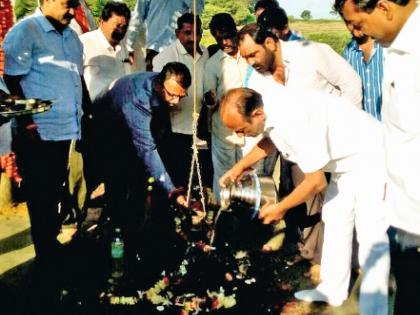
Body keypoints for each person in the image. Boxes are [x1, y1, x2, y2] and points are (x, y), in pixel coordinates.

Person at [219, 87, 390, 314]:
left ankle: (375, 309)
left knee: (371, 234)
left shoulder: (293, 119)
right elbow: (271, 141)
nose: (241, 136)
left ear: (257, 114)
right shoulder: (270, 108)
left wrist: (280, 208)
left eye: (242, 129)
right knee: (336, 219)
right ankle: (332, 290)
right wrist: (239, 167)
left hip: (371, 157)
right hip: (343, 164)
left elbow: (316, 182)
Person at [238, 23, 362, 258]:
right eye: (245, 58)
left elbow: (351, 85)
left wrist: (344, 129)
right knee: (310, 203)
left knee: (344, 203)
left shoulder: (312, 52)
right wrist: (243, 164)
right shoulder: (257, 82)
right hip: (300, 150)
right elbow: (269, 130)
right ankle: (315, 256)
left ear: (270, 43)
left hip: (339, 143)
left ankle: (355, 260)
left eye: (253, 54)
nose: (251, 62)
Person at [334, 1, 420, 314]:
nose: (358, 32)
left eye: (358, 23)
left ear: (383, 7)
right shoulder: (397, 48)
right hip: (404, 215)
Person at [3, 0, 86, 311]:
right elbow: (10, 80)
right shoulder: (25, 32)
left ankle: (50, 251)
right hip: (38, 132)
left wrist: (86, 115)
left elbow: (76, 81)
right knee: (41, 196)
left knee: (54, 192)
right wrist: (27, 123)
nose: (72, 10)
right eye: (67, 4)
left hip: (68, 128)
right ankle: (45, 265)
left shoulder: (72, 36)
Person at [85, 62, 190, 250]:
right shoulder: (137, 100)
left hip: (126, 123)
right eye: (172, 95)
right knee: (119, 183)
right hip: (106, 130)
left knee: (140, 178)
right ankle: (116, 238)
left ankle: (135, 226)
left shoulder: (163, 82)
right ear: (158, 85)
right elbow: (147, 149)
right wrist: (171, 189)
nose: (175, 102)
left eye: (181, 96)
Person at [152, 13, 208, 188]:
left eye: (197, 33)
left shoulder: (205, 53)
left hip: (199, 129)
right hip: (174, 130)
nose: (193, 38)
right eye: (187, 32)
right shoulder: (164, 58)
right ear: (177, 33)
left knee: (198, 179)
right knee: (177, 179)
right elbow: (159, 98)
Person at [203, 13, 249, 204]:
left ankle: (247, 213)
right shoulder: (213, 64)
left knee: (248, 172)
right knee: (224, 173)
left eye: (228, 36)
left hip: (250, 127)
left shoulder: (249, 55)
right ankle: (224, 215)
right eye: (219, 38)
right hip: (224, 129)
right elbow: (208, 101)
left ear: (235, 31)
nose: (225, 42)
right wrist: (211, 99)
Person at [126, 0, 204, 71]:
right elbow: (138, 17)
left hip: (178, 50)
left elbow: (198, 9)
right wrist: (129, 46)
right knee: (153, 83)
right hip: (154, 49)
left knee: (179, 84)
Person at [80, 0, 132, 101]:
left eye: (124, 27)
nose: (120, 31)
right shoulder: (83, 43)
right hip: (93, 110)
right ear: (102, 22)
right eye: (117, 26)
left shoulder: (125, 46)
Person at [339, 10, 383, 120]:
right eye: (348, 22)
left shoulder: (387, 47)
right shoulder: (348, 52)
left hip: (392, 129)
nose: (353, 25)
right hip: (364, 128)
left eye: (357, 20)